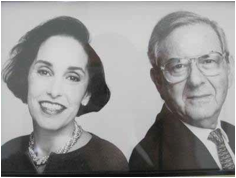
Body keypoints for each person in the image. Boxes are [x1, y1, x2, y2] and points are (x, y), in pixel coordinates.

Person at [1, 16, 128, 174]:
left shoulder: (108, 162)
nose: (54, 91)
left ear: (87, 93)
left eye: (72, 77)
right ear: (26, 78)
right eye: (44, 72)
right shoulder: (6, 154)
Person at [129, 11, 235, 171]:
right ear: (158, 80)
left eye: (208, 61)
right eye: (178, 66)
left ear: (229, 68)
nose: (195, 80)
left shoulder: (231, 133)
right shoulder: (150, 160)